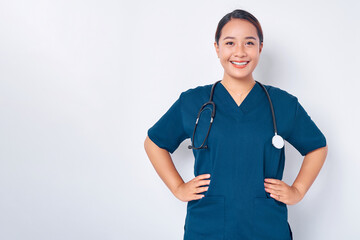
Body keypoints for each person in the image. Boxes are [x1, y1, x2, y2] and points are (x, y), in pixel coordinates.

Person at [144, 9, 328, 240]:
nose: (239, 52)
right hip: (207, 225)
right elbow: (154, 143)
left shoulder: (282, 104)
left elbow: (317, 146)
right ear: (217, 48)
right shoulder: (192, 102)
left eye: (249, 43)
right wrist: (178, 187)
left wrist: (298, 190)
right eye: (230, 42)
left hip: (266, 225)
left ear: (260, 48)